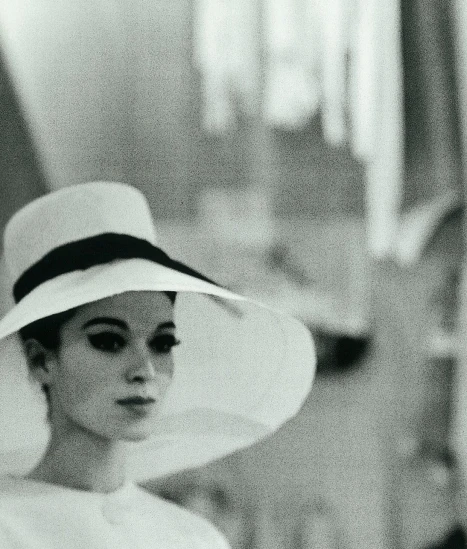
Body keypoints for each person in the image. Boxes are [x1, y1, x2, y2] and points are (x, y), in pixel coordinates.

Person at [0, 181, 316, 548]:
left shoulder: (195, 540)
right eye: (109, 341)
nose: (145, 369)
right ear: (41, 360)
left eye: (162, 342)